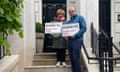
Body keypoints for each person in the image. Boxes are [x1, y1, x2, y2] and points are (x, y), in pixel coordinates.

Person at [65, 7, 86, 72]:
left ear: (75, 11)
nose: (71, 12)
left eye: (73, 11)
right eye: (70, 11)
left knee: (76, 58)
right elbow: (66, 31)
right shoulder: (68, 22)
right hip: (70, 41)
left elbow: (84, 28)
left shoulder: (80, 18)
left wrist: (76, 34)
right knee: (72, 59)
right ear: (69, 13)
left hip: (77, 40)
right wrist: (65, 36)